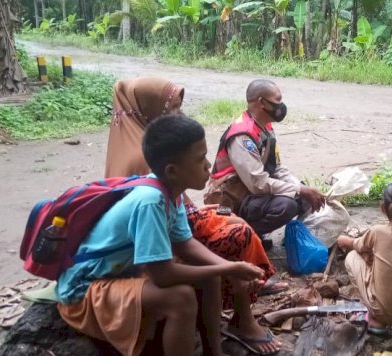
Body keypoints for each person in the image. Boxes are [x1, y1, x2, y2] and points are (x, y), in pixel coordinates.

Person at [56, 115, 277, 356]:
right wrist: (227, 270)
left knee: (210, 278)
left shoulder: (171, 192)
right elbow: (162, 275)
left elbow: (185, 243)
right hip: (84, 290)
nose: (207, 165)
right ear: (172, 171)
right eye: (199, 158)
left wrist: (230, 267)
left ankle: (214, 352)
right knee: (180, 299)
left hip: (116, 274)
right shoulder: (151, 202)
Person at [105, 77, 288, 303]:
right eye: (172, 108)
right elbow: (158, 229)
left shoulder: (151, 148)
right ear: (149, 109)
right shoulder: (146, 159)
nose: (180, 114)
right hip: (154, 244)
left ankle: (250, 279)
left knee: (230, 220)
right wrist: (224, 267)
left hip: (174, 224)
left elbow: (175, 205)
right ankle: (249, 285)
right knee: (237, 231)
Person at [204, 79, 326, 246]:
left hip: (248, 193)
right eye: (277, 100)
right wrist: (300, 189)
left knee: (302, 197)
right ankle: (242, 237)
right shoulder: (242, 136)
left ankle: (274, 236)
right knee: (286, 205)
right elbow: (258, 183)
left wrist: (301, 188)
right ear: (262, 102)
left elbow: (276, 168)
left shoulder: (264, 127)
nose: (281, 106)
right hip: (227, 204)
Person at [336, 181, 392, 335]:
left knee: (352, 257)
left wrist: (342, 240)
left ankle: (376, 319)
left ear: (383, 208)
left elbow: (356, 245)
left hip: (384, 312)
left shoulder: (377, 232)